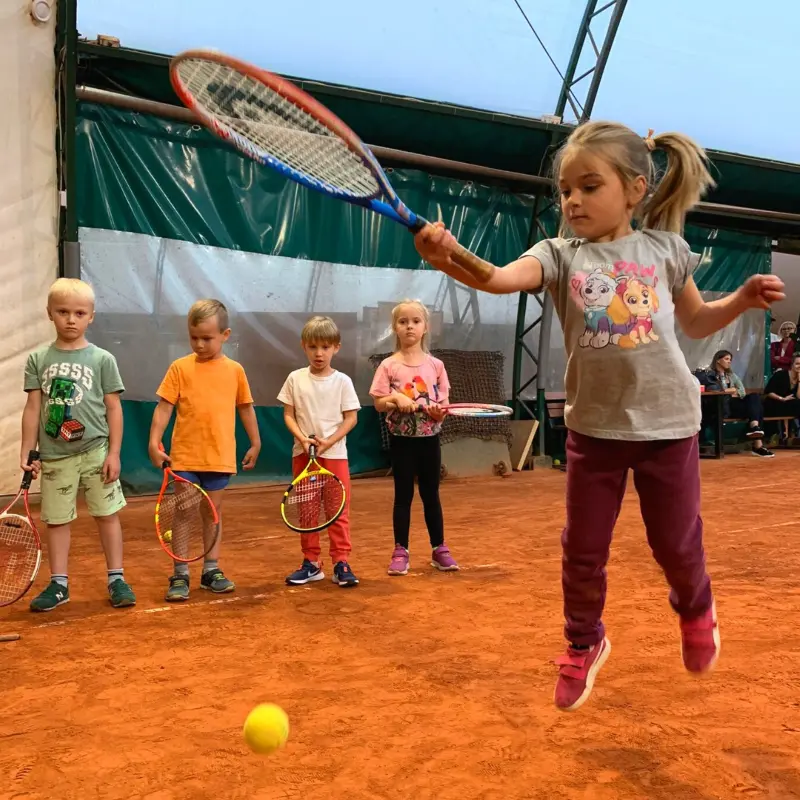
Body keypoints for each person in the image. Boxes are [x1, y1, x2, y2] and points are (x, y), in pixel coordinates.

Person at [413, 121, 785, 711]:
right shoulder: (558, 255)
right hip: (594, 431)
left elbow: (693, 323)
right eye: (565, 190)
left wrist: (738, 301)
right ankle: (584, 642)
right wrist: (450, 257)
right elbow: (500, 279)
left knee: (676, 547)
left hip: (668, 428)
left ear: (635, 189)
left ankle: (696, 609)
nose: (573, 200)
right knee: (582, 549)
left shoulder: (666, 251)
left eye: (589, 186)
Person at [21, 278, 136, 612]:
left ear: (91, 317)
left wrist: (114, 453)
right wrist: (29, 451)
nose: (71, 319)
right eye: (63, 312)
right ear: (49, 314)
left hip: (96, 452)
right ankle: (59, 584)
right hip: (55, 457)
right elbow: (33, 408)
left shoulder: (103, 359)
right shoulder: (38, 359)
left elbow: (114, 408)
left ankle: (117, 579)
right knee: (57, 521)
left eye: (79, 312)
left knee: (107, 515)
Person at [148, 299, 260, 601]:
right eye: (193, 337)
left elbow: (246, 409)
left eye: (207, 338)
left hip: (220, 457)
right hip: (184, 456)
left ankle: (211, 570)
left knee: (212, 514)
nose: (199, 344)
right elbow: (163, 409)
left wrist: (256, 442)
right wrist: (153, 441)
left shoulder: (235, 371)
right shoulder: (179, 368)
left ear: (225, 335)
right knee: (183, 512)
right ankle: (180, 574)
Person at [369, 299, 458, 576]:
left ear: (425, 327)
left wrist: (436, 412)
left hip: (430, 439)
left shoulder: (437, 366)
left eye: (415, 321)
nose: (409, 326)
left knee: (431, 494)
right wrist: (396, 398)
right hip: (402, 441)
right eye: (403, 321)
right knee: (403, 495)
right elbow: (379, 403)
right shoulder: (388, 366)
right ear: (395, 328)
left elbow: (442, 409)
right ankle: (400, 550)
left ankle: (439, 548)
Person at [278, 316, 361, 588]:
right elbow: (288, 415)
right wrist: (303, 439)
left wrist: (328, 442)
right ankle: (311, 564)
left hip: (334, 456)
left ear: (336, 347)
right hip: (303, 456)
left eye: (325, 346)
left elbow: (351, 418)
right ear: (304, 346)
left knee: (338, 511)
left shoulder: (343, 382)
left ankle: (341, 563)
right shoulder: (295, 378)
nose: (319, 353)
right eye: (313, 346)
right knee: (307, 512)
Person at [703, 349, 772, 458]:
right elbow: (714, 391)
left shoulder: (731, 375)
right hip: (722, 406)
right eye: (726, 359)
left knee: (754, 397)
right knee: (756, 409)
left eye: (730, 359)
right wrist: (731, 391)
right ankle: (758, 445)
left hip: (734, 404)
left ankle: (754, 427)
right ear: (718, 360)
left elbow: (742, 391)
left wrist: (731, 391)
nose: (729, 362)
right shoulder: (710, 375)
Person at [763, 351, 800, 439]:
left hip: (791, 405)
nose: (799, 366)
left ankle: (793, 435)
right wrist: (782, 398)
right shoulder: (780, 375)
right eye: (797, 364)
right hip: (774, 403)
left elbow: (799, 397)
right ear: (792, 364)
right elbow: (769, 392)